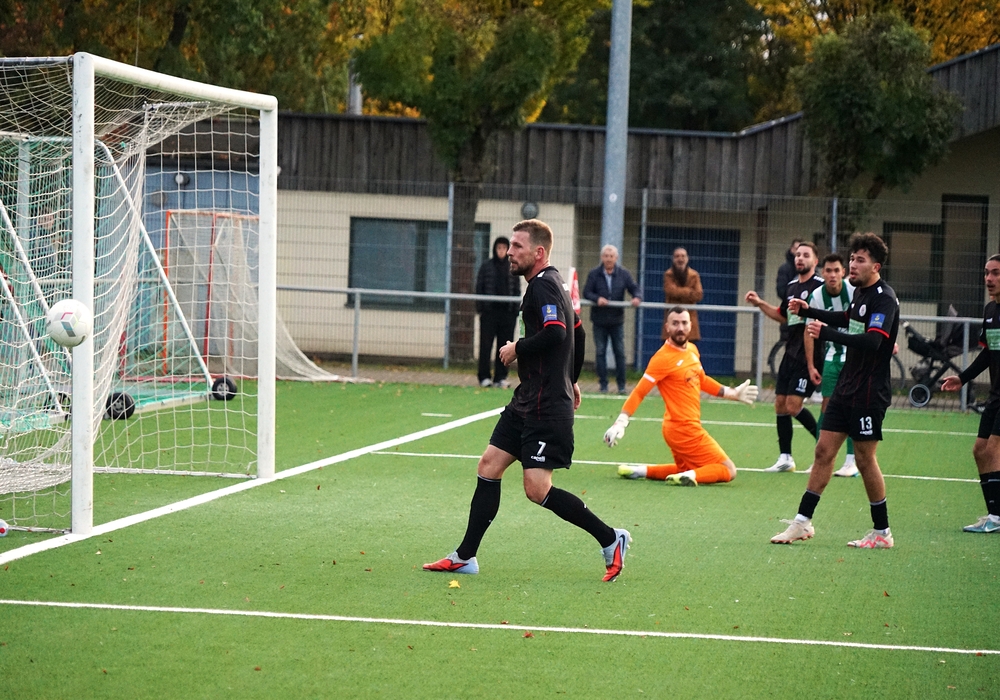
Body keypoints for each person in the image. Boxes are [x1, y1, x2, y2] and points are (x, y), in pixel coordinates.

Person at [424, 219, 631, 582]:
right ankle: (465, 556)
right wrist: (571, 379)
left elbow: (557, 333)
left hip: (545, 407)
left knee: (537, 490)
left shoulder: (544, 285)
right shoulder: (550, 284)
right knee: (489, 465)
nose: (510, 252)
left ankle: (611, 538)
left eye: (517, 246)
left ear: (538, 252)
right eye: (510, 245)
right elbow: (578, 332)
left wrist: (516, 348)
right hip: (527, 399)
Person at [771, 232, 899, 549]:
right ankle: (802, 522)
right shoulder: (859, 293)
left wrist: (827, 332)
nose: (852, 264)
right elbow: (846, 317)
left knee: (865, 459)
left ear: (876, 266)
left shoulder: (884, 298)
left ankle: (882, 532)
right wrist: (809, 311)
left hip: (869, 390)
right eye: (852, 258)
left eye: (860, 260)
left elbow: (873, 341)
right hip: (846, 386)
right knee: (823, 452)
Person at [606, 307, 758, 485]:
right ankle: (690, 477)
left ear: (691, 325)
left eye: (684, 323)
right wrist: (621, 422)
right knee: (729, 470)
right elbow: (639, 392)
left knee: (684, 468)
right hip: (683, 429)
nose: (680, 328)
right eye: (675, 323)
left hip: (677, 429)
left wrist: (733, 393)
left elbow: (702, 380)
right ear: (667, 327)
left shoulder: (692, 350)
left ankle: (640, 471)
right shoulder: (662, 358)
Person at [745, 241, 823, 472]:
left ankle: (824, 451)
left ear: (815, 261)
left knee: (793, 405)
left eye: (806, 255)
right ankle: (785, 458)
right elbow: (783, 316)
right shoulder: (791, 287)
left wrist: (812, 363)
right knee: (780, 404)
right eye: (798, 255)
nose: (800, 258)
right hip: (790, 353)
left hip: (810, 355)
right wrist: (760, 303)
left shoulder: (820, 288)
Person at [941, 253, 1000, 533]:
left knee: (994, 449)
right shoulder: (990, 311)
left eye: (996, 273)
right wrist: (963, 378)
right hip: (996, 395)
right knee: (980, 450)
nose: (989, 278)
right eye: (987, 273)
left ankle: (997, 518)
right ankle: (993, 513)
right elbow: (988, 353)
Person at [803, 253, 857, 477]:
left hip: (855, 358)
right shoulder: (816, 296)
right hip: (832, 359)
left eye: (836, 270)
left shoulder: (854, 290)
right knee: (827, 407)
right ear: (822, 273)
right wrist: (811, 365)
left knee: (852, 408)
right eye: (828, 271)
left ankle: (851, 462)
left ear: (843, 272)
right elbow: (809, 330)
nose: (833, 275)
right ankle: (820, 459)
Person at [582, 244, 641, 394]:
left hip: (617, 320)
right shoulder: (594, 274)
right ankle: (603, 385)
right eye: (606, 256)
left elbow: (634, 288)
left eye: (611, 256)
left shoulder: (624, 274)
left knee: (619, 353)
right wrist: (597, 298)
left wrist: (637, 297)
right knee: (600, 352)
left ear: (616, 258)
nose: (609, 259)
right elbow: (587, 292)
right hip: (599, 320)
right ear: (602, 257)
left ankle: (621, 386)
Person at [475, 236, 520, 388]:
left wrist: (515, 310)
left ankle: (501, 377)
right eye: (499, 248)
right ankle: (484, 377)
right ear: (494, 249)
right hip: (489, 313)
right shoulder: (486, 266)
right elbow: (479, 287)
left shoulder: (513, 267)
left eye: (504, 248)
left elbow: (517, 290)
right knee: (485, 346)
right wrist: (481, 308)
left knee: (505, 347)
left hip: (507, 314)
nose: (501, 251)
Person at [662, 247, 703, 342]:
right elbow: (670, 291)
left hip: (690, 318)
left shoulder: (694, 275)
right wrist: (689, 292)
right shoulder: (668, 274)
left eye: (683, 256)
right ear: (673, 259)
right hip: (672, 318)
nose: (680, 259)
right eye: (677, 256)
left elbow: (698, 295)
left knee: (690, 349)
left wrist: (678, 292)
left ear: (687, 259)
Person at [775, 238, 804, 343]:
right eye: (796, 249)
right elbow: (781, 291)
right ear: (791, 249)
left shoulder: (810, 270)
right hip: (789, 312)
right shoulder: (785, 269)